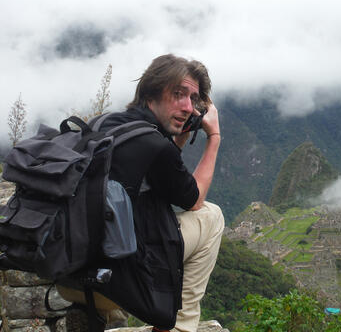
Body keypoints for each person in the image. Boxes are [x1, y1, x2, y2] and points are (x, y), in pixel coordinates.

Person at [58, 54, 225, 332]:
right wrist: (214, 138)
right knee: (212, 216)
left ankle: (103, 319)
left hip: (70, 277)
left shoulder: (105, 123)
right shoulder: (154, 144)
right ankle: (179, 327)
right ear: (151, 93)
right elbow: (193, 200)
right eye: (178, 94)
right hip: (114, 282)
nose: (187, 107)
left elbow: (160, 177)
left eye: (193, 99)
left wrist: (176, 139)